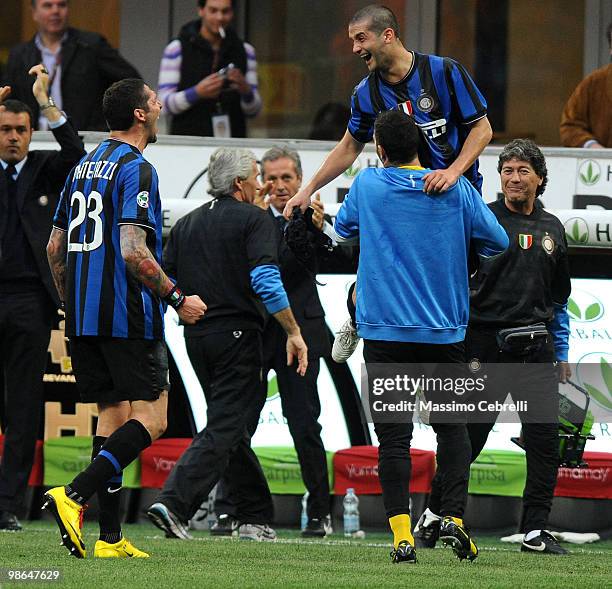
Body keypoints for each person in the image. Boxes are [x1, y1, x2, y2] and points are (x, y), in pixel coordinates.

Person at [332, 109, 508, 564]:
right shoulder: (457, 189)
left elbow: (344, 228)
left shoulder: (369, 186)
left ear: (380, 150)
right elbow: (499, 243)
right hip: (445, 332)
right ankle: (453, 517)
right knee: (453, 431)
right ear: (422, 148)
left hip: (386, 333)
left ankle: (401, 536)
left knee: (393, 439)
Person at [44, 78, 206, 559]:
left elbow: (55, 246)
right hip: (126, 315)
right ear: (139, 115)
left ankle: (110, 539)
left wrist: (71, 302)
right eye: (155, 101)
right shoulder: (137, 169)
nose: (160, 106)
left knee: (113, 416)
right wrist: (178, 297)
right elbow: (134, 252)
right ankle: (73, 494)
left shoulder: (82, 166)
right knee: (153, 419)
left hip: (83, 316)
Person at [283, 4, 492, 361]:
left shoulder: (444, 72)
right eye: (352, 41)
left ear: (388, 35)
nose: (354, 49)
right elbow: (349, 146)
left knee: (451, 286)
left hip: (450, 201)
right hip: (402, 202)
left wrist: (452, 173)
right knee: (384, 268)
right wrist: (307, 189)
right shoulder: (366, 92)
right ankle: (357, 314)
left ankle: (435, 373)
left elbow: (482, 129)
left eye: (361, 38)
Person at [415, 139, 572, 556]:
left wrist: (562, 351)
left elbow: (558, 300)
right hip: (482, 345)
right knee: (467, 441)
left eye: (522, 170)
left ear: (540, 178)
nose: (514, 178)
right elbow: (450, 278)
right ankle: (436, 514)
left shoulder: (554, 228)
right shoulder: (480, 218)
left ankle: (535, 530)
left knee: (543, 441)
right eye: (507, 170)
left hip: (536, 347)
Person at [146, 147, 308, 542]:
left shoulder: (186, 225)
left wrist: (179, 304)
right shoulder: (255, 220)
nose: (262, 184)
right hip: (238, 338)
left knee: (230, 428)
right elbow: (267, 281)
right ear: (239, 183)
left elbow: (165, 280)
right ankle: (175, 502)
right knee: (225, 426)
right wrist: (292, 331)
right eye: (256, 176)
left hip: (196, 340)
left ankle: (253, 515)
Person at [212, 146, 333, 539]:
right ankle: (229, 510)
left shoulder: (314, 219)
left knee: (305, 424)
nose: (280, 186)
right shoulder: (249, 218)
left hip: (303, 332)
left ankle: (319, 513)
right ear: (260, 181)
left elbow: (324, 260)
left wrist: (315, 231)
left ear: (301, 180)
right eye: (273, 178)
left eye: (287, 178)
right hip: (255, 332)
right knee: (238, 422)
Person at [0, 65, 84, 531]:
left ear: (32, 133)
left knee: (24, 406)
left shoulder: (43, 170)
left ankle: (7, 504)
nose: (13, 138)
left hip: (31, 302)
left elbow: (76, 153)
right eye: (6, 129)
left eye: (21, 130)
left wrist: (45, 100)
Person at [3, 0, 140, 131]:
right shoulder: (19, 55)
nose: (55, 11)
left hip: (84, 138)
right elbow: (9, 100)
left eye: (61, 5)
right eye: (47, 5)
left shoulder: (91, 46)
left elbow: (132, 84)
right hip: (35, 139)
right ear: (34, 12)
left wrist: (107, 125)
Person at [158, 0, 261, 137]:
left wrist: (245, 89)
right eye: (213, 11)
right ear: (201, 10)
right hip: (188, 143)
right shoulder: (177, 49)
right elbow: (163, 105)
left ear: (233, 13)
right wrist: (196, 93)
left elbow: (254, 111)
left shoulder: (245, 51)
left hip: (232, 143)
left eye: (225, 11)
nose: (219, 17)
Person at [560, 23, 612, 148]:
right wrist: (592, 147)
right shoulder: (594, 82)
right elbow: (569, 126)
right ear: (610, 49)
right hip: (602, 165)